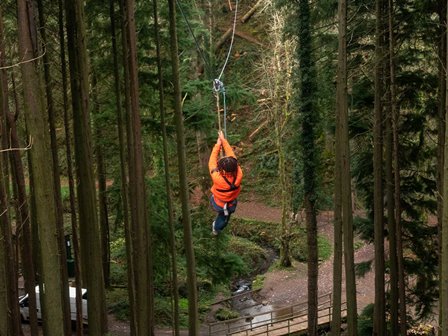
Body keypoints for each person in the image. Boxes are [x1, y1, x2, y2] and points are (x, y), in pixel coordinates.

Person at [209, 131, 243, 235]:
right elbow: (231, 155)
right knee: (225, 217)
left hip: (218, 202)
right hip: (230, 201)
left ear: (222, 170)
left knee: (222, 217)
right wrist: (223, 140)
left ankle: (216, 229)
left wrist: (218, 144)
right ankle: (216, 228)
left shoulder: (217, 178)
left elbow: (212, 161)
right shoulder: (239, 173)